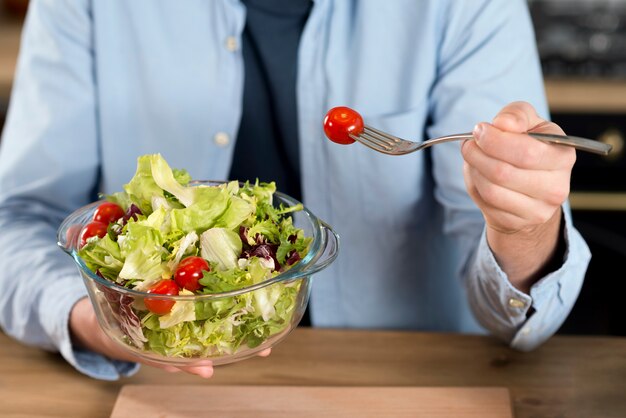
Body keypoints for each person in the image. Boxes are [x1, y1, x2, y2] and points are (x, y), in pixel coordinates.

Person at [0, 0, 589, 381]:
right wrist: (100, 318)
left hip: (400, 384)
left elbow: (518, 315)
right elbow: (16, 219)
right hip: (160, 389)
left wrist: (523, 225)